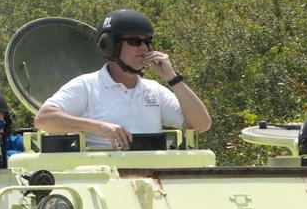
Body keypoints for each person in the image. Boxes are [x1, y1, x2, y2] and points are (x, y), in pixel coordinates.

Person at [34, 9, 211, 150]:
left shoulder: (153, 90)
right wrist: (99, 127)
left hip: (153, 180)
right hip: (104, 181)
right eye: (134, 41)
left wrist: (173, 78)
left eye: (146, 42)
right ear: (110, 45)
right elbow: (43, 119)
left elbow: (201, 124)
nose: (143, 48)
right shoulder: (87, 86)